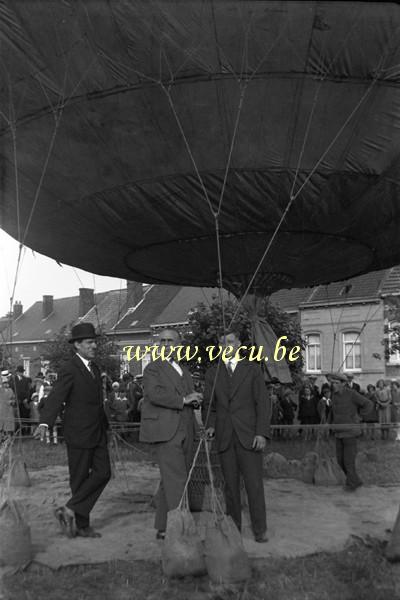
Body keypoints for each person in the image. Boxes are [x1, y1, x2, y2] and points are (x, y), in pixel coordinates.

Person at [38, 323, 111, 538]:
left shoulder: (95, 368)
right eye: (89, 342)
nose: (94, 345)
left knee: (104, 473)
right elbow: (56, 397)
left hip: (97, 431)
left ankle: (70, 508)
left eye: (94, 341)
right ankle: (81, 525)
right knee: (78, 479)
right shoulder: (69, 369)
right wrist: (45, 422)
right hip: (77, 433)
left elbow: (97, 403)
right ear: (77, 345)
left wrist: (106, 425)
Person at [203, 329, 270, 543]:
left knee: (254, 485)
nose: (226, 347)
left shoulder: (252, 370)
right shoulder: (213, 373)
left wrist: (261, 433)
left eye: (230, 342)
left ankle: (260, 531)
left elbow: (263, 404)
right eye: (222, 343)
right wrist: (211, 426)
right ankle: (234, 531)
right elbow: (209, 406)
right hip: (224, 438)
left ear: (239, 344)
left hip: (249, 437)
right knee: (230, 488)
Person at [139, 328, 202, 540]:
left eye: (171, 341)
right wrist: (183, 400)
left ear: (179, 345)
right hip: (166, 431)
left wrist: (195, 403)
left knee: (170, 480)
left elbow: (187, 399)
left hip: (186, 429)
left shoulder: (184, 370)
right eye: (162, 341)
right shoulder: (152, 369)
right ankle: (180, 530)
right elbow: (154, 394)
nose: (166, 345)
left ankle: (163, 526)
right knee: (177, 480)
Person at [328, 372, 372, 491]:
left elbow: (368, 404)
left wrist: (359, 417)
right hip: (338, 432)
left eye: (336, 383)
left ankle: (351, 484)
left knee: (348, 461)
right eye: (333, 383)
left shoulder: (352, 394)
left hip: (350, 432)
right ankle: (355, 481)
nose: (334, 385)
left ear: (344, 384)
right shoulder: (334, 395)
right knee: (340, 461)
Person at [9, 365, 31, 434]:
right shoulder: (12, 379)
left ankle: (23, 431)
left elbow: (28, 390)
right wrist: (13, 398)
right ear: (17, 372)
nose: (21, 373)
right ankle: (16, 431)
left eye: (22, 372)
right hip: (16, 401)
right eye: (20, 372)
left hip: (24, 401)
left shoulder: (26, 379)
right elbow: (11, 390)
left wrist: (27, 399)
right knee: (15, 416)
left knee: (23, 416)